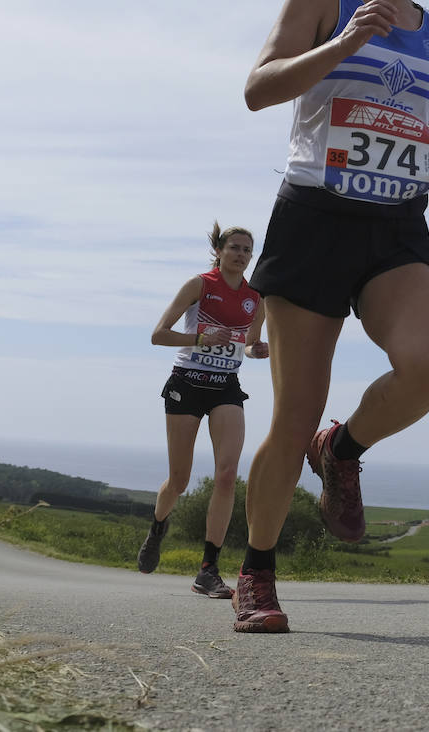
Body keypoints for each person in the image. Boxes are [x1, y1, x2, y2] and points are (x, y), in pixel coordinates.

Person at [233, 0, 429, 633]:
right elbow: (259, 87)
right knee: (291, 411)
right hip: (315, 215)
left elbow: (425, 113)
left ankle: (343, 447)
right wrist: (340, 43)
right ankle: (257, 574)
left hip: (398, 221)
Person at [137, 223, 269, 599]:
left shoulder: (257, 297)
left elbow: (249, 343)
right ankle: (158, 527)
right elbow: (158, 334)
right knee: (178, 481)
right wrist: (200, 339)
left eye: (247, 249)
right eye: (235, 248)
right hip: (187, 384)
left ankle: (208, 569)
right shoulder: (199, 285)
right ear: (220, 250)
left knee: (226, 476)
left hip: (226, 387)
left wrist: (257, 350)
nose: (241, 254)